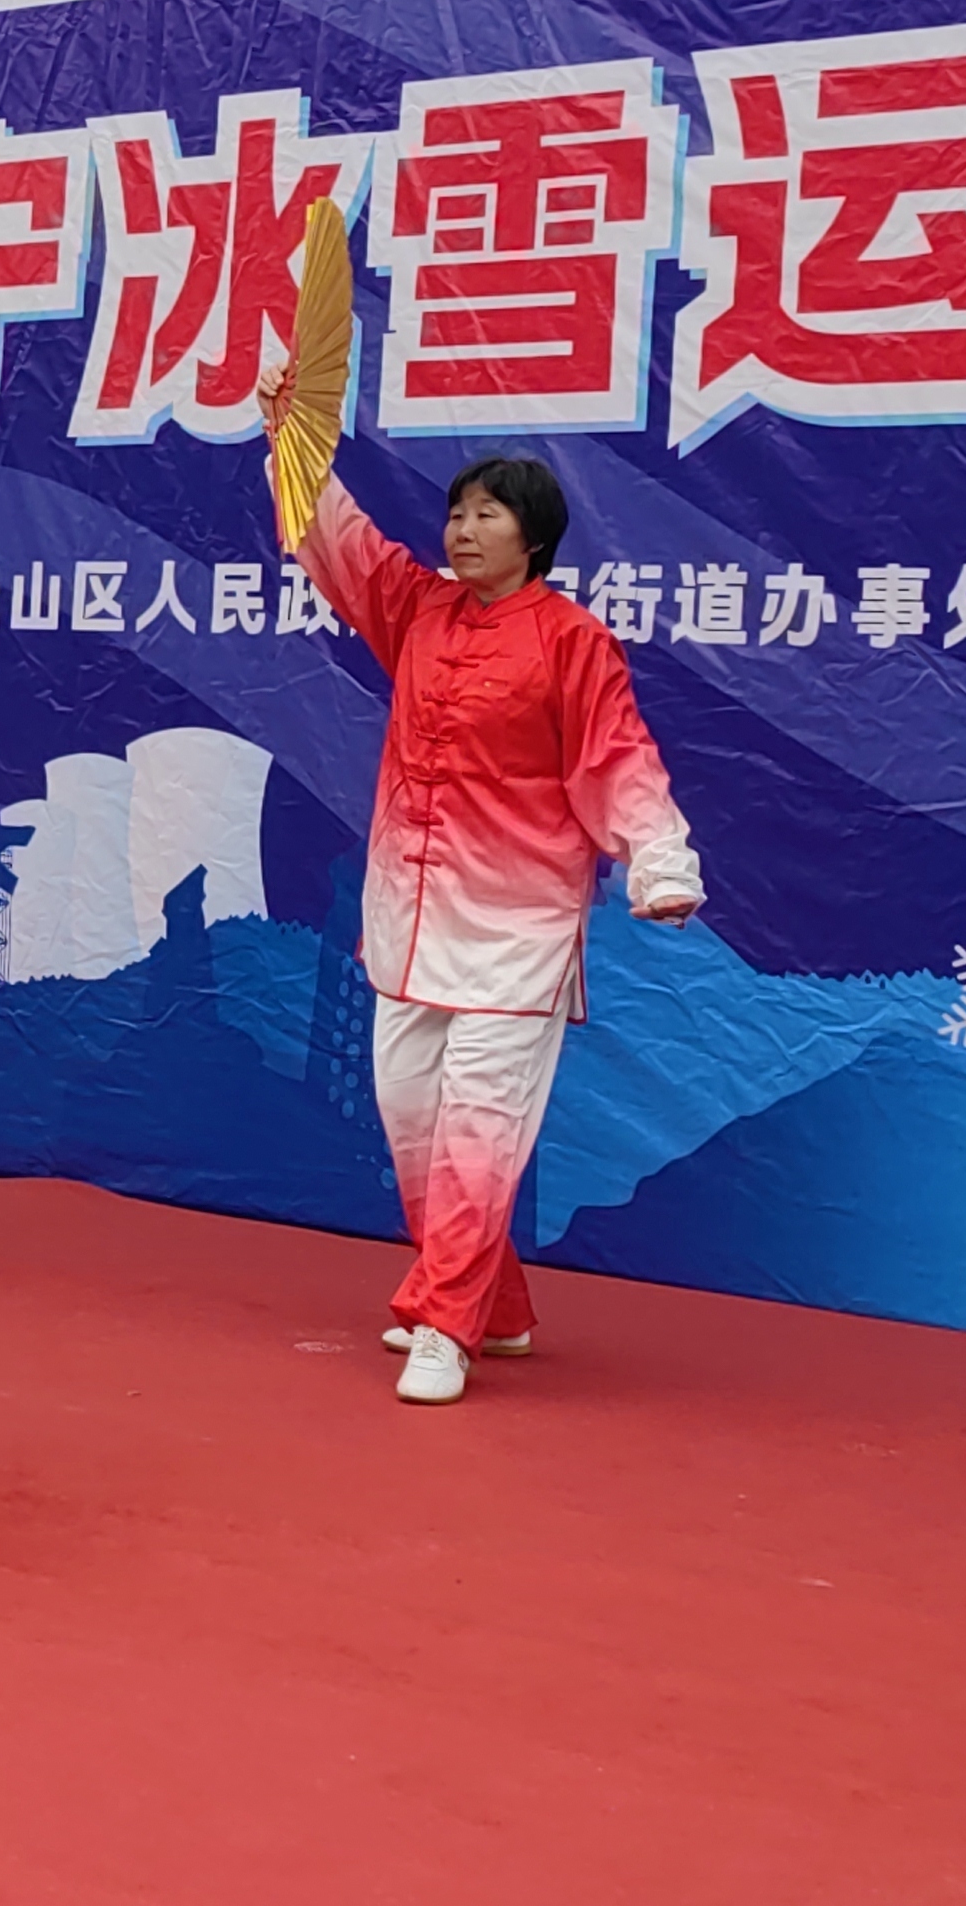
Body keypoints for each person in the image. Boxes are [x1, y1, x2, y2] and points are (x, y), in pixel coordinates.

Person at [258, 384, 702, 1408]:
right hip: (405, 920)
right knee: (415, 1124)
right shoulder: (414, 609)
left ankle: (444, 1324)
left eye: (486, 515)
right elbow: (337, 538)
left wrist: (658, 858)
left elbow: (616, 756)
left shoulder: (570, 640)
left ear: (533, 538)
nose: (461, 529)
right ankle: (495, 1306)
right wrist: (291, 435)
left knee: (476, 1130)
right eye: (455, 513)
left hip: (516, 928)